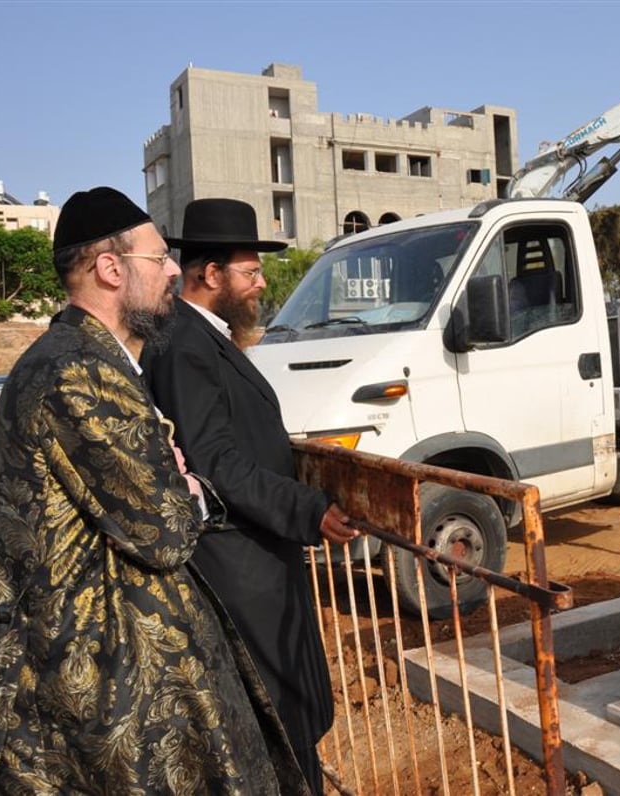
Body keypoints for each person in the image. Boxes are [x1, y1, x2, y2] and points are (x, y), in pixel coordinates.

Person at [0, 187, 308, 793]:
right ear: (111, 269)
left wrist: (174, 474)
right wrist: (184, 485)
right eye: (158, 260)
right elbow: (166, 531)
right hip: (98, 685)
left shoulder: (84, 358)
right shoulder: (76, 369)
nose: (173, 273)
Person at [145, 197, 357, 795]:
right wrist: (309, 510)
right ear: (210, 275)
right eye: (250, 271)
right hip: (240, 571)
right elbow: (217, 464)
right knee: (275, 723)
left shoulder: (199, 336)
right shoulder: (186, 345)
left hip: (254, 561)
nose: (261, 283)